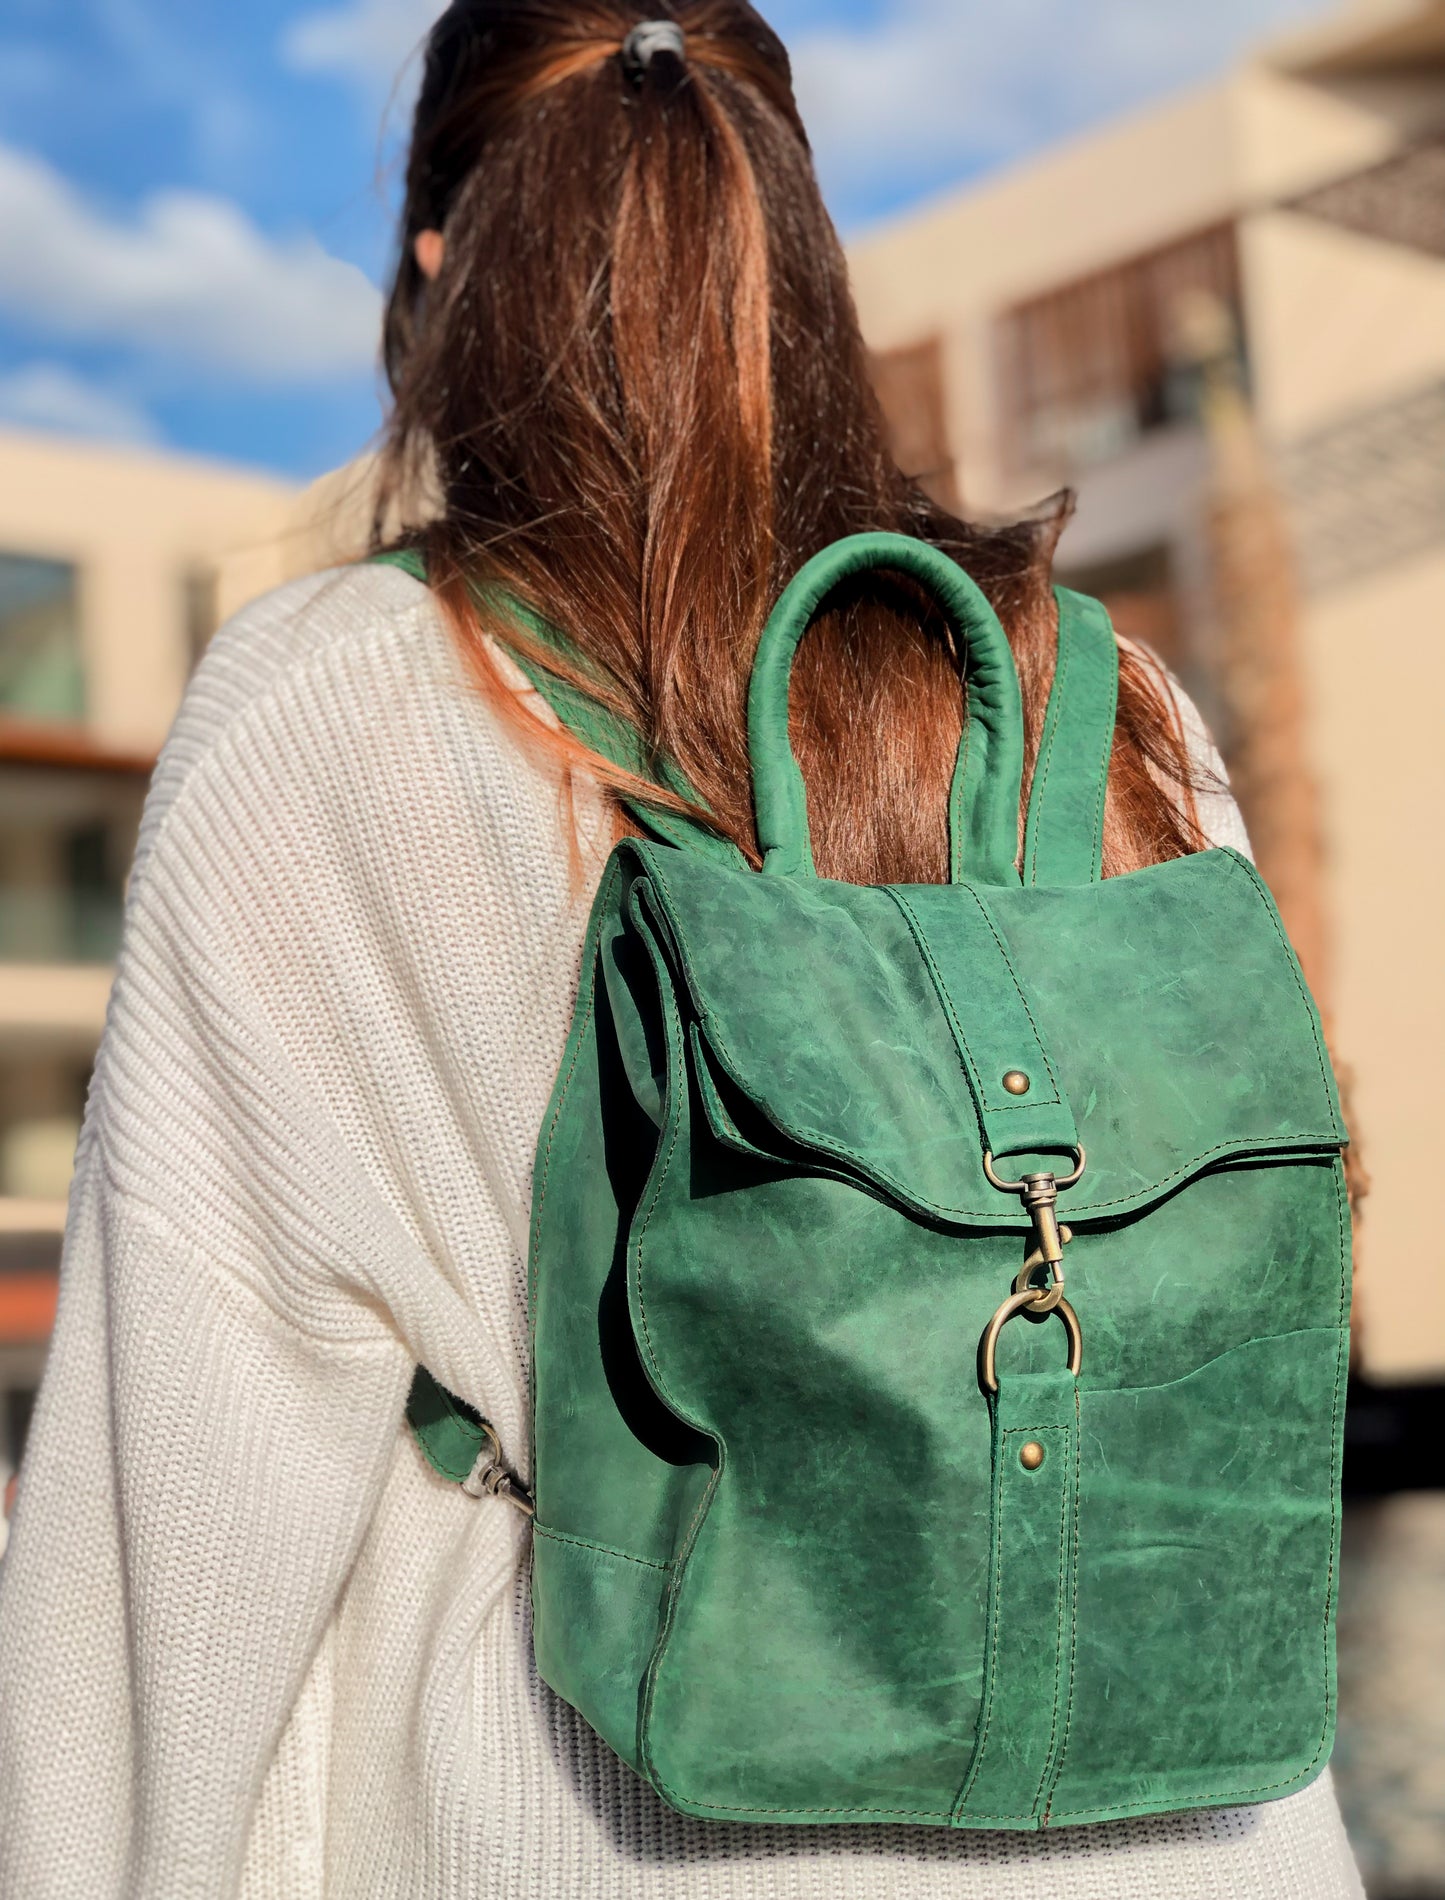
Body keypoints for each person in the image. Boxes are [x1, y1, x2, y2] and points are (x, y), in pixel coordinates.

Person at [0, 5, 1362, 1895]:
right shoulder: (1095, 696)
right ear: (795, 241)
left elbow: (182, 1500)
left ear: (436, 266)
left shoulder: (334, 704)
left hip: (602, 1816)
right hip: (1186, 1808)